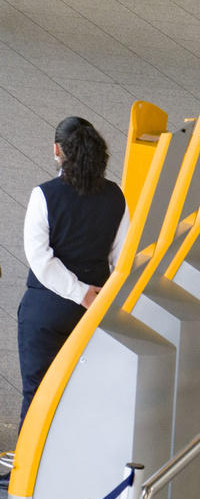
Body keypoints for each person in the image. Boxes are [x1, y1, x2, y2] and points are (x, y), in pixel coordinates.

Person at [16, 117, 128, 441]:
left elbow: (40, 258)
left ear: (57, 151)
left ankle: (26, 475)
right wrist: (94, 296)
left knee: (36, 395)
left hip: (46, 311)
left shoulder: (44, 195)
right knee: (82, 396)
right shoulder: (115, 196)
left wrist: (77, 291)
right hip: (95, 312)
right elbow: (120, 258)